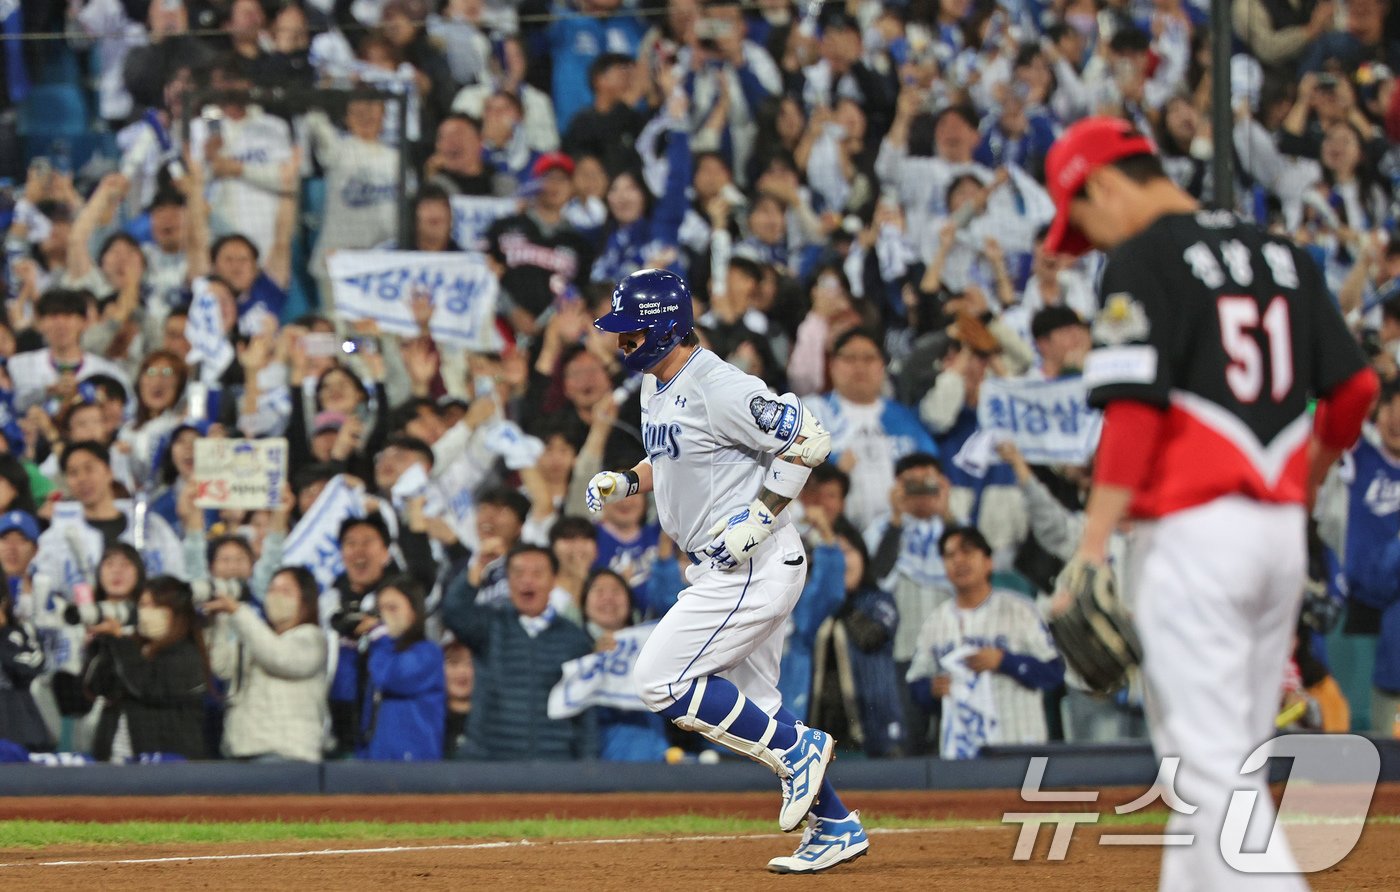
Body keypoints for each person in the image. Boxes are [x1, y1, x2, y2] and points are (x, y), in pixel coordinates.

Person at [1041, 116, 1379, 889]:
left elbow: (1133, 410)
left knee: (1212, 771)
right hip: (1278, 539)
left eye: (1084, 221)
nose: (1091, 243)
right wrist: (1309, 478)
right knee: (1222, 766)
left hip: (1192, 537)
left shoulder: (1143, 257)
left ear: (1103, 185)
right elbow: (1356, 388)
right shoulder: (1281, 254)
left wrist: (1092, 545)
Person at [587, 268, 868, 873]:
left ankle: (797, 750)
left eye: (632, 331)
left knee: (660, 681)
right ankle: (836, 824)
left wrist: (761, 516)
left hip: (752, 565)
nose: (621, 341)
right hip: (723, 565)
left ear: (666, 327)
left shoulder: (718, 385)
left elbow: (810, 440)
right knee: (757, 703)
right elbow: (672, 454)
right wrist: (629, 479)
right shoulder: (656, 383)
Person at [442, 545, 597, 760]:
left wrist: (587, 764)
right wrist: (478, 567)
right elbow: (453, 612)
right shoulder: (488, 625)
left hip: (554, 761)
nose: (527, 580)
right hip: (490, 761)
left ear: (553, 580)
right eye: (518, 573)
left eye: (537, 573)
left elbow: (585, 711)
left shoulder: (574, 638)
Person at [204, 566, 328, 762]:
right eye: (271, 590)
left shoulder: (312, 638)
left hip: (287, 755)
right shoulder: (258, 638)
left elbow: (278, 658)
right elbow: (222, 668)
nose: (276, 597)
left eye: (286, 591)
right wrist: (220, 620)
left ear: (306, 600)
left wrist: (238, 611)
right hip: (242, 750)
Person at [83, 576, 211, 761]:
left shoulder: (186, 655)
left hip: (165, 764)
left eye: (155, 605)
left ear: (177, 612)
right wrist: (104, 643)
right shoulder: (132, 648)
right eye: (142, 605)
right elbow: (98, 688)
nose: (146, 612)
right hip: (115, 756)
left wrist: (120, 641)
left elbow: (146, 687)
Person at [358, 576, 445, 761]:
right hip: (376, 760)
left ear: (414, 612)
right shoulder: (381, 653)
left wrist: (379, 637)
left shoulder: (428, 653)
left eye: (392, 608)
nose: (384, 617)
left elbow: (392, 679)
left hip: (414, 765)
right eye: (380, 610)